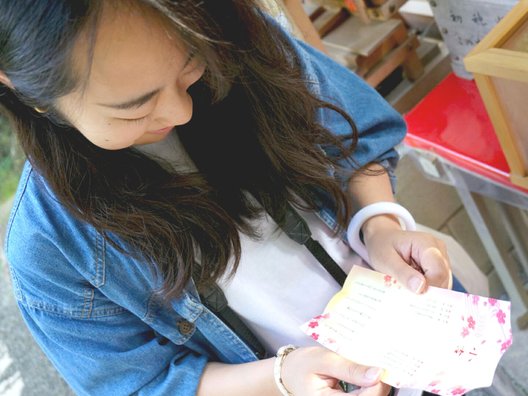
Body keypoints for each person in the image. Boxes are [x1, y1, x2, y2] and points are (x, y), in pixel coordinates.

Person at [0, 1, 455, 395]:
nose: (182, 110)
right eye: (135, 107)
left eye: (191, 64)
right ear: (26, 90)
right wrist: (281, 378)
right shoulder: (51, 248)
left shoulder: (239, 37)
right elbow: (136, 383)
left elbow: (354, 137)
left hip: (426, 337)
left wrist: (378, 225)